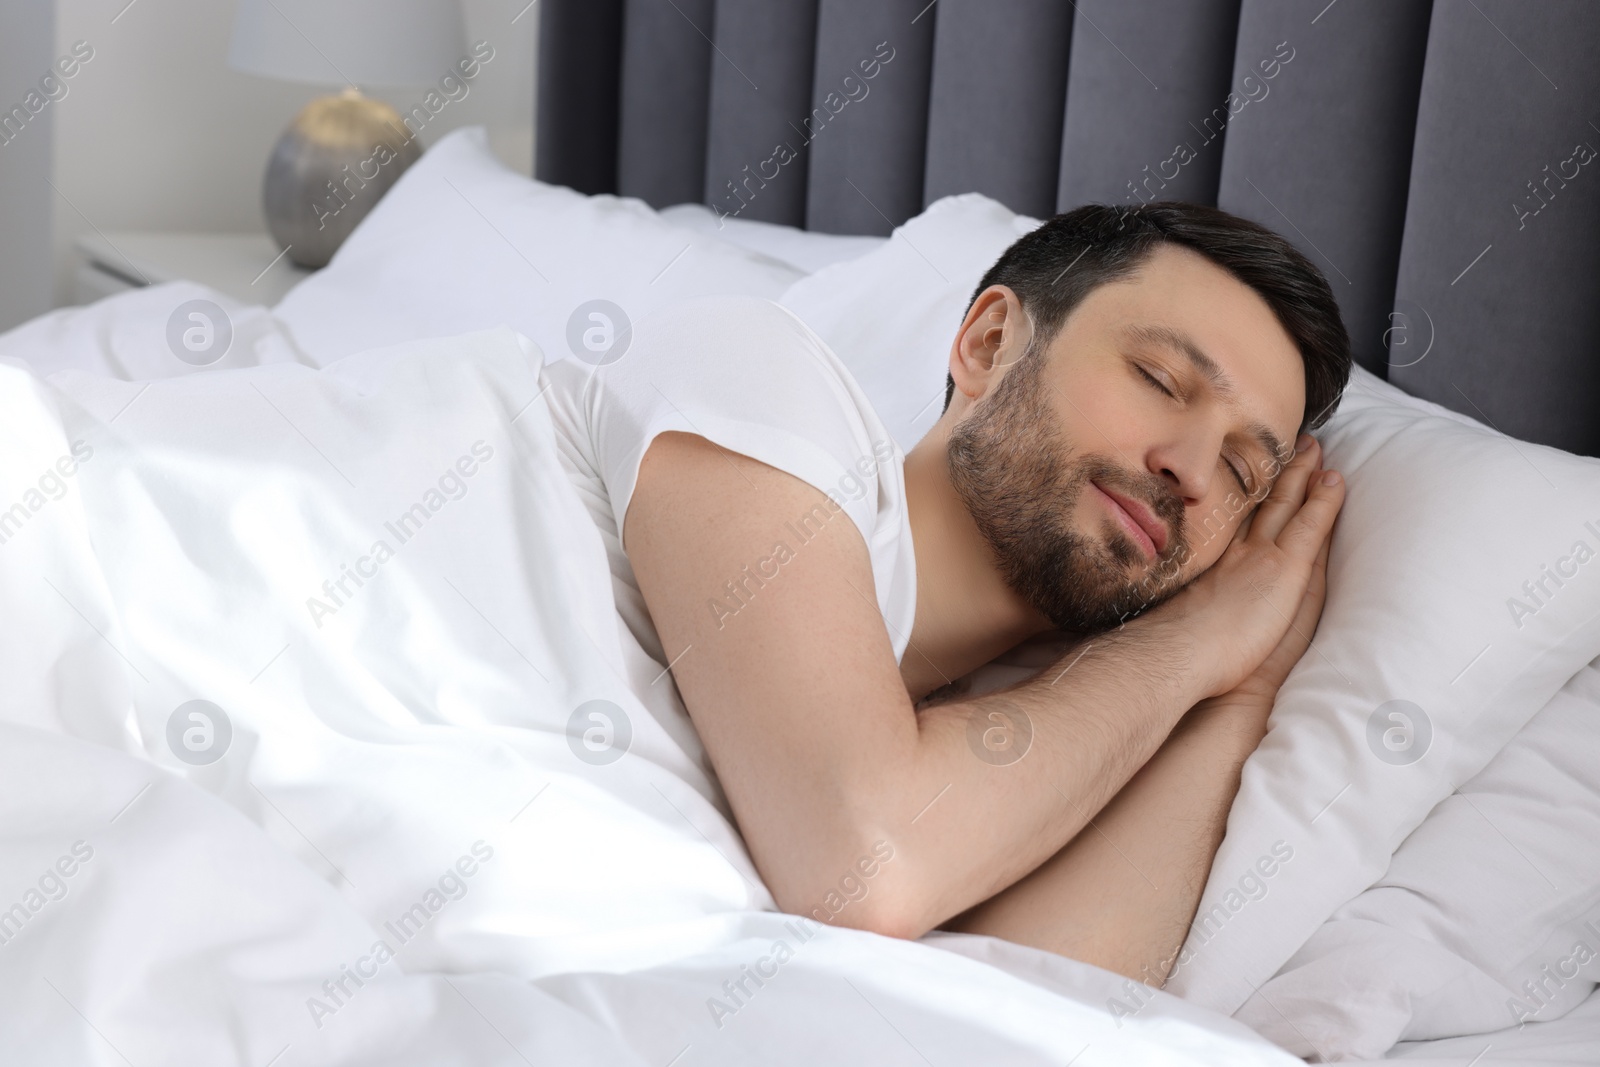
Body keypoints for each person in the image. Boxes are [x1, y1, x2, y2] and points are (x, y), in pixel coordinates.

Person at [543, 201, 1350, 986]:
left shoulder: (984, 770)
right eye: (1160, 379)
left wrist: (1238, 684)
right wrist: (1193, 642)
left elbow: (1024, 1017)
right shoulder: (754, 368)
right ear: (991, 342)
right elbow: (859, 864)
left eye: (1245, 471)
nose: (1196, 470)